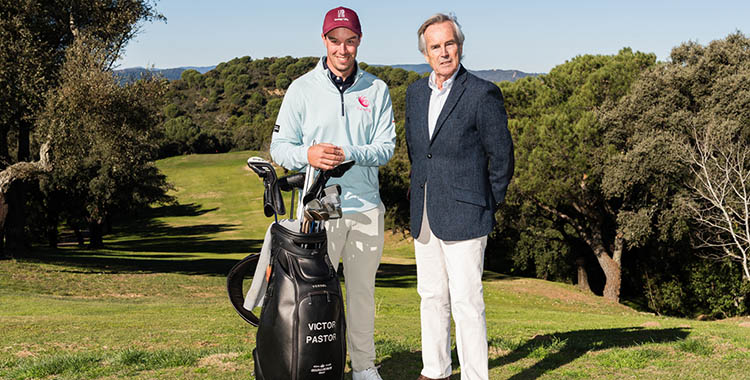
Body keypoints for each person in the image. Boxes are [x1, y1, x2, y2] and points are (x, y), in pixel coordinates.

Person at [269, 6, 396, 380]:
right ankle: (312, 365)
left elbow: (386, 148)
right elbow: (280, 148)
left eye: (350, 41)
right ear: (324, 41)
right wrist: (307, 154)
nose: (343, 49)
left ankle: (364, 367)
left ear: (359, 42)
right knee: (313, 296)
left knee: (361, 296)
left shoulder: (376, 89)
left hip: (366, 208)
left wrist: (351, 153)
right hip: (317, 211)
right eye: (335, 40)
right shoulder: (301, 89)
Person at [404, 13, 514, 380]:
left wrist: (485, 201)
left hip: (467, 215)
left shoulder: (482, 93)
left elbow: (502, 158)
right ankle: (434, 371)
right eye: (435, 46)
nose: (444, 52)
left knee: (468, 303)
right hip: (424, 213)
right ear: (425, 54)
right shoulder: (415, 94)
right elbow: (418, 153)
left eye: (449, 43)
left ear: (460, 46)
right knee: (431, 297)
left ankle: (474, 375)